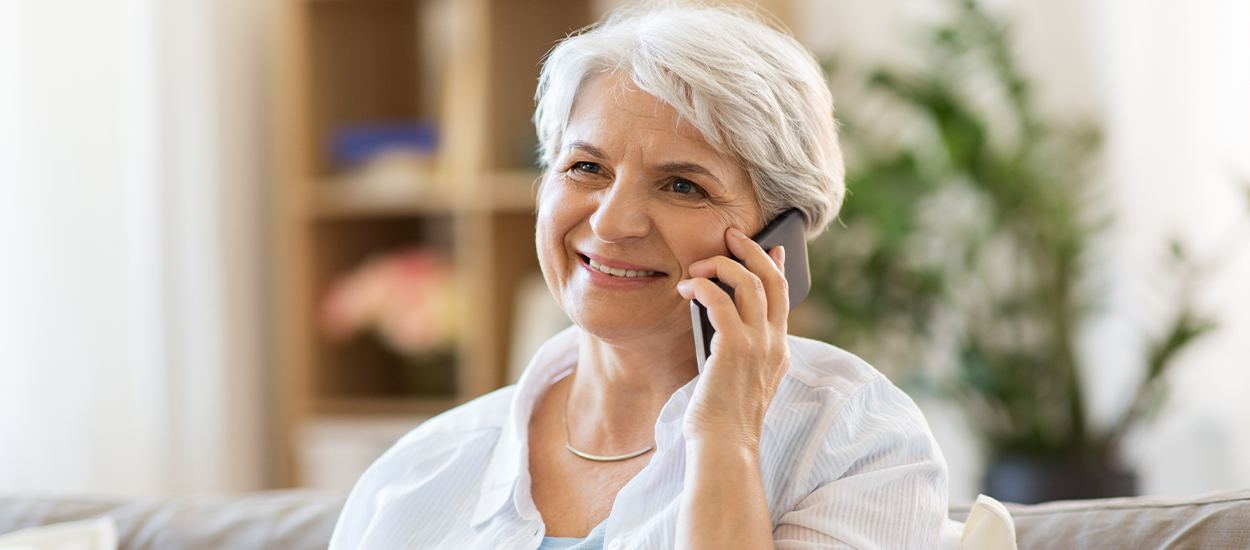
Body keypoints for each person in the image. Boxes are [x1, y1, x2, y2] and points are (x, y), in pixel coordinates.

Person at [330, 3, 961, 548]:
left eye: (682, 185)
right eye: (585, 168)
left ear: (779, 240)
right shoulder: (416, 473)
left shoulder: (855, 441)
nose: (612, 223)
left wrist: (726, 435)